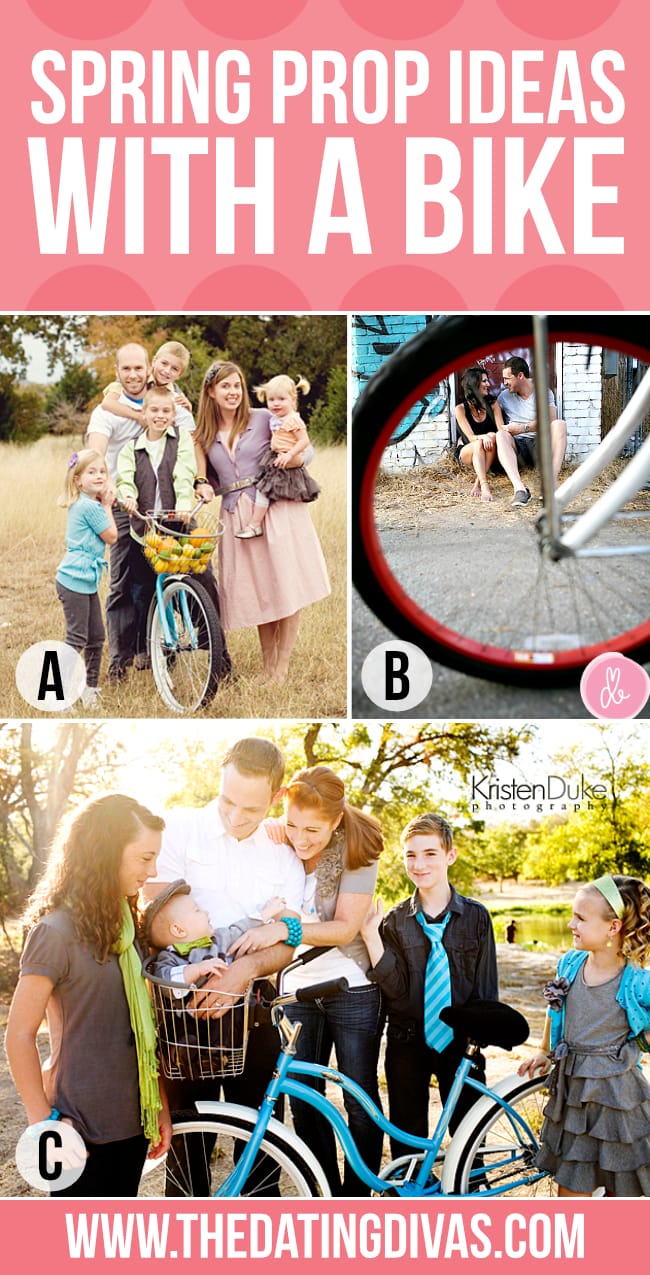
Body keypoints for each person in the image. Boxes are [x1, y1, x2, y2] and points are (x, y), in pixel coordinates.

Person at [142, 737, 306, 1195]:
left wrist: (241, 972)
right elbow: (153, 924)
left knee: (260, 1145)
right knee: (187, 1148)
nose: (235, 817)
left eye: (251, 810)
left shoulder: (285, 854)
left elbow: (286, 944)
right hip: (184, 1018)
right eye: (227, 800)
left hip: (254, 1014)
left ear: (276, 798)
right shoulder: (176, 830)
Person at [5, 795, 171, 1197]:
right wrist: (44, 1124)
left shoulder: (127, 927)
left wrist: (160, 1105)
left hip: (132, 1122)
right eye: (144, 858)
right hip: (77, 1130)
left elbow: (138, 1028)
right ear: (107, 852)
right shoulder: (54, 932)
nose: (152, 871)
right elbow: (19, 1036)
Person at [230, 764, 385, 1197]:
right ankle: (326, 1196)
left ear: (336, 820)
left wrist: (286, 930)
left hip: (350, 989)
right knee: (302, 1099)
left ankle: (356, 1198)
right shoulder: (277, 841)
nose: (300, 838)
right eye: (293, 824)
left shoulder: (360, 852)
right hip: (296, 990)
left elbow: (344, 929)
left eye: (313, 830)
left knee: (359, 1100)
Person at [361, 813, 498, 1160]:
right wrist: (371, 938)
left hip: (461, 1043)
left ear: (450, 855)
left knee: (469, 1137)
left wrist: (477, 1041)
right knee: (407, 1140)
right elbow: (397, 992)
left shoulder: (477, 917)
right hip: (407, 1042)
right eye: (411, 855)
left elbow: (485, 988)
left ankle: (470, 1195)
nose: (419, 864)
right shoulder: (393, 921)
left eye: (430, 853)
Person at [192, 360, 330, 682]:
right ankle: (267, 666)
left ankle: (280, 669)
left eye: (237, 385)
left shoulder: (264, 417)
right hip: (235, 514)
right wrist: (200, 484)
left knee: (286, 586)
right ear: (211, 391)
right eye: (225, 386)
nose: (233, 392)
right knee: (259, 591)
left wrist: (290, 459)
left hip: (275, 507)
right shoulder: (204, 434)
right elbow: (205, 477)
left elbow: (306, 452)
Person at [518, 874, 650, 1197]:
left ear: (613, 927)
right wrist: (543, 1049)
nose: (570, 924)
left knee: (626, 1190)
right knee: (572, 1193)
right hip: (573, 1097)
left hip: (617, 1101)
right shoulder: (570, 963)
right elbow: (555, 1009)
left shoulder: (636, 981)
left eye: (580, 918)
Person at [86, 342, 195, 681]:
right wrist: (107, 487)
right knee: (121, 581)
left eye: (139, 368)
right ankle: (120, 657)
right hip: (123, 501)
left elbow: (191, 443)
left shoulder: (168, 401)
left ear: (149, 369)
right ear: (117, 372)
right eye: (126, 369)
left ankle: (158, 646)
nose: (133, 375)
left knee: (166, 574)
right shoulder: (108, 408)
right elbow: (95, 452)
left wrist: (198, 484)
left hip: (164, 502)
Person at [55, 448, 118, 708]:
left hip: (85, 580)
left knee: (97, 637)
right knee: (77, 638)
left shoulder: (85, 503)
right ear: (78, 479)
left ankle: (90, 689)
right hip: (73, 580)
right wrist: (106, 506)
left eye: (102, 471)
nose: (99, 476)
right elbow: (112, 536)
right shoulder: (90, 507)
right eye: (91, 472)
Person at [235, 374, 320, 539]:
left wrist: (290, 455)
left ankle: (254, 525)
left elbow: (304, 441)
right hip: (275, 457)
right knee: (265, 490)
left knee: (264, 491)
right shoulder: (275, 418)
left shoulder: (293, 420)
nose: (275, 403)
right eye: (271, 399)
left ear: (293, 399)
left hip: (285, 460)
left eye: (281, 399)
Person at [496, 355, 567, 506]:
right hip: (519, 448)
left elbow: (551, 419)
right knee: (501, 435)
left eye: (507, 378)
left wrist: (522, 428)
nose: (504, 383)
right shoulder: (503, 397)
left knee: (560, 424)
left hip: (540, 446)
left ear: (520, 375)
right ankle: (520, 490)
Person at [102, 340, 194, 424]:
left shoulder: (175, 393)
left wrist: (188, 409)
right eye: (164, 363)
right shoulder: (137, 378)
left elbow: (182, 419)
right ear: (154, 361)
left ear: (179, 375)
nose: (167, 371)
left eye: (174, 369)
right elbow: (108, 403)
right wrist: (138, 416)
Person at [454, 367, 505, 502]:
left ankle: (478, 483)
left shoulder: (493, 404)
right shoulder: (460, 409)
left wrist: (490, 436)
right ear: (474, 384)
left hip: (489, 451)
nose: (488, 384)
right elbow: (470, 438)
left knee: (494, 436)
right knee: (477, 443)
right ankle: (485, 486)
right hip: (468, 451)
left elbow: (501, 432)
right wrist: (483, 436)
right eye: (484, 381)